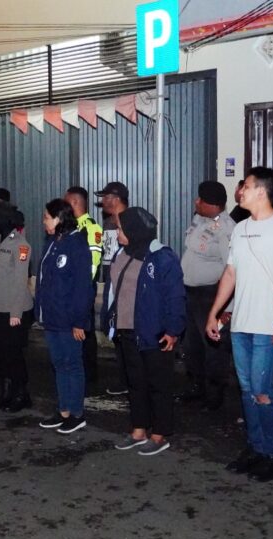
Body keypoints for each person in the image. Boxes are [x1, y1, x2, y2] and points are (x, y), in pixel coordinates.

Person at [205, 167, 273, 483]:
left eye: (245, 186)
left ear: (261, 191)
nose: (240, 191)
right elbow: (230, 274)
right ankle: (255, 447)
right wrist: (214, 312)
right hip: (241, 324)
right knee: (248, 390)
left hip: (269, 325)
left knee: (263, 391)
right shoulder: (240, 229)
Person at [109, 207, 186, 456]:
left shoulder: (162, 257)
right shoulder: (122, 253)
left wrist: (173, 330)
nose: (117, 233)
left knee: (158, 384)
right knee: (136, 384)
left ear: (134, 230)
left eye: (120, 229)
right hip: (126, 330)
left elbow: (175, 297)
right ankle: (138, 430)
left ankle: (159, 434)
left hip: (154, 332)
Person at [35, 199, 95, 433]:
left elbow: (83, 287)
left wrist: (80, 321)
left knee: (72, 365)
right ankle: (63, 411)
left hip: (69, 320)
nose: (43, 222)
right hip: (52, 317)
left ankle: (77, 413)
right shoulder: (52, 242)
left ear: (59, 218)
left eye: (46, 217)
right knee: (59, 365)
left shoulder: (77, 243)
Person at [179, 181, 234, 411]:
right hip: (190, 293)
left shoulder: (227, 229)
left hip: (210, 296)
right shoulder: (199, 219)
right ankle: (196, 386)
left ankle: (214, 396)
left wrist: (226, 308)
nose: (196, 202)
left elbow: (231, 269)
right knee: (191, 345)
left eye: (200, 199)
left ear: (212, 204)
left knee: (213, 348)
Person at [0, 202, 35, 412]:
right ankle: (6, 393)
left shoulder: (21, 245)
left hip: (15, 309)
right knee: (0, 353)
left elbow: (21, 281)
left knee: (13, 354)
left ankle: (21, 394)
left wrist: (15, 312)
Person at [64, 186, 103, 390]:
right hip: (69, 289)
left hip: (83, 288)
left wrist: (80, 286)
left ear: (75, 202)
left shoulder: (90, 227)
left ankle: (88, 376)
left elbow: (93, 264)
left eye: (66, 202)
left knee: (84, 332)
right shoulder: (69, 227)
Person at [95, 181, 130, 396]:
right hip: (111, 282)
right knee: (115, 330)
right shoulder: (109, 222)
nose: (103, 202)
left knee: (125, 332)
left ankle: (130, 380)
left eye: (106, 197)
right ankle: (124, 378)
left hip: (124, 285)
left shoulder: (129, 221)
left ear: (116, 199)